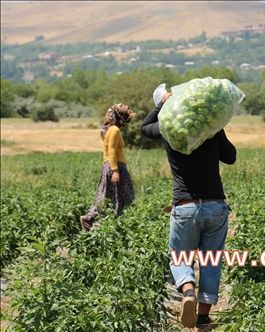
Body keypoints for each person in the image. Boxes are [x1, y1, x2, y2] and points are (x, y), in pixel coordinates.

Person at [141, 83, 236, 329]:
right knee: (211, 260)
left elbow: (144, 129)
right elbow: (231, 157)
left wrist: (162, 104)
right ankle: (203, 317)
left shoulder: (170, 128)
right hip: (216, 205)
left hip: (185, 206)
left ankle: (187, 289)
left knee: (179, 256)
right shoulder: (210, 129)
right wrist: (216, 125)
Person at [80, 103, 135, 231]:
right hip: (115, 166)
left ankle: (91, 219)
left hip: (110, 165)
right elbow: (112, 151)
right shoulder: (114, 130)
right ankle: (108, 223)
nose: (127, 106)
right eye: (124, 107)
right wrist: (115, 171)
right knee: (121, 195)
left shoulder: (111, 129)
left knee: (108, 194)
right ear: (120, 116)